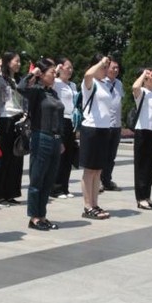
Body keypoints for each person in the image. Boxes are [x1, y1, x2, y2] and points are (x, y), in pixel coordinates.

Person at [19, 58, 65, 230]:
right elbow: (21, 87)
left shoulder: (52, 93)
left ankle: (42, 215)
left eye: (55, 72)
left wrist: (60, 139)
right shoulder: (36, 92)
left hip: (54, 139)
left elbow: (59, 116)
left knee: (48, 180)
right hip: (41, 137)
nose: (55, 75)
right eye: (51, 73)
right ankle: (34, 217)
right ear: (42, 75)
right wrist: (33, 73)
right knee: (37, 179)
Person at [78, 54, 118, 219]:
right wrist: (101, 62)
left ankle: (95, 203)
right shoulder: (90, 82)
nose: (105, 69)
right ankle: (87, 206)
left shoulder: (104, 84)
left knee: (98, 171)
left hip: (103, 129)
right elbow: (87, 74)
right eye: (103, 66)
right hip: (91, 129)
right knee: (89, 170)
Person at [0, 52, 25, 206]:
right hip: (3, 119)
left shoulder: (18, 79)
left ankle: (11, 193)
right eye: (17, 61)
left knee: (16, 158)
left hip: (17, 119)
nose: (19, 64)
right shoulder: (0, 78)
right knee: (2, 158)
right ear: (8, 62)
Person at [130, 66, 152, 210]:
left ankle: (147, 196)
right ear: (144, 78)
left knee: (151, 166)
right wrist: (144, 73)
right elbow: (134, 86)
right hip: (142, 131)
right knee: (141, 166)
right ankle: (140, 198)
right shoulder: (141, 92)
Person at [51, 57, 78, 199]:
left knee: (68, 155)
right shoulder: (55, 82)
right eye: (67, 67)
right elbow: (47, 84)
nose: (70, 70)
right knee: (60, 154)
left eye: (71, 68)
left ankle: (64, 187)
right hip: (59, 119)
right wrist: (56, 70)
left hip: (71, 120)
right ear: (60, 68)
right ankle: (55, 188)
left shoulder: (72, 85)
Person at [100, 58, 124, 192]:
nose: (115, 70)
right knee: (101, 154)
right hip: (104, 124)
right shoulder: (101, 82)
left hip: (116, 124)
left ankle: (107, 180)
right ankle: (98, 180)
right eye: (113, 67)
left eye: (117, 68)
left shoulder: (119, 84)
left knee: (111, 155)